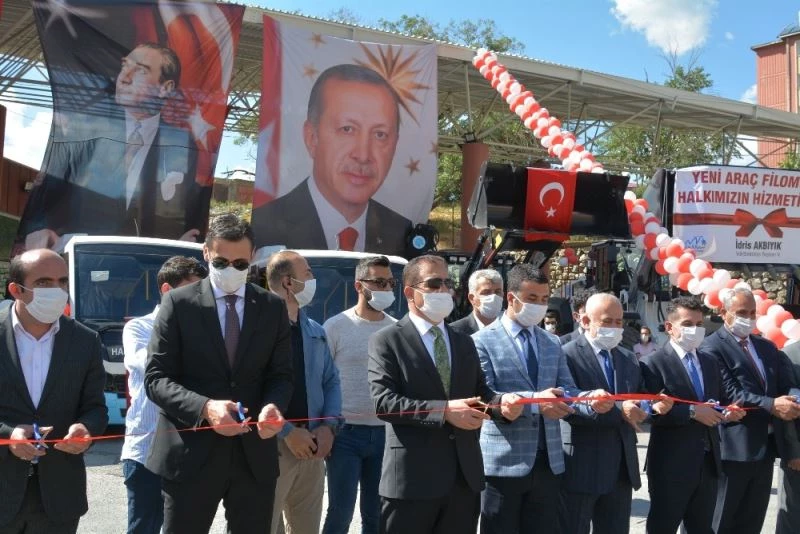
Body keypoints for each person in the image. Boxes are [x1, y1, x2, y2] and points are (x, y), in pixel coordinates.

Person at [144, 214, 294, 534]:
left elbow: (281, 375)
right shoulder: (178, 304)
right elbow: (156, 379)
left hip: (254, 457)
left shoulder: (272, 307)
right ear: (206, 253)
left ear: (253, 257)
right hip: (190, 456)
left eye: (240, 264)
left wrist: (273, 406)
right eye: (222, 262)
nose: (231, 270)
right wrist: (205, 408)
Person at [367, 254, 524, 533]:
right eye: (434, 283)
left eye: (447, 283)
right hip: (412, 481)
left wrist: (502, 405)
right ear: (410, 293)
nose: (443, 290)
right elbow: (385, 403)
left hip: (462, 481)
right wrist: (445, 411)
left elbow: (480, 394)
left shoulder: (463, 341)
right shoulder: (387, 340)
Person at [20, 42, 205, 251]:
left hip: (142, 259)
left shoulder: (181, 143)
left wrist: (179, 242)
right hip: (79, 255)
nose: (124, 78)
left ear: (165, 88)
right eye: (125, 66)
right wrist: (37, 230)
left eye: (140, 71)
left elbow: (180, 207)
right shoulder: (84, 129)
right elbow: (48, 190)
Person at [472, 265, 614, 533]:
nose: (539, 305)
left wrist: (590, 400)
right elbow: (486, 394)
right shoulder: (481, 341)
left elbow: (566, 389)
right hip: (503, 463)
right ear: (511, 298)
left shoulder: (551, 342)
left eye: (544, 299)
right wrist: (537, 402)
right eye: (532, 298)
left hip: (548, 463)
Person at [251, 63, 413, 256]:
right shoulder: (264, 227)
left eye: (380, 134)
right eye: (347, 129)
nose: (363, 156)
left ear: (395, 145)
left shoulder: (401, 233)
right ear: (312, 138)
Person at [0, 248, 108, 533]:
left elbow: (95, 408)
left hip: (59, 496)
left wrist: (86, 429)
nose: (57, 291)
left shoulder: (85, 341)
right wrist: (9, 435)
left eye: (62, 281)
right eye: (44, 283)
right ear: (16, 290)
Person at [559, 292, 673, 534]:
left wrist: (652, 408)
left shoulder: (628, 358)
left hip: (620, 467)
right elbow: (568, 404)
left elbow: (639, 397)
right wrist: (622, 409)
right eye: (607, 321)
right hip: (581, 466)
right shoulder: (566, 354)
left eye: (619, 322)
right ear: (585, 321)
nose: (614, 327)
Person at [640, 297, 745, 534]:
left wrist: (727, 412)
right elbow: (651, 411)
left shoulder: (709, 362)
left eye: (699, 324)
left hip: (708, 463)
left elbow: (718, 401)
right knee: (662, 526)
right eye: (688, 324)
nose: (695, 330)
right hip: (671, 464)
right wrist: (691, 412)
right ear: (669, 327)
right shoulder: (653, 363)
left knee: (701, 528)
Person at [701, 287, 800, 534]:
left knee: (752, 522)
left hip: (765, 450)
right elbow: (729, 393)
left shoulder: (766, 347)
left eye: (752, 313)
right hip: (732, 450)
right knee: (721, 521)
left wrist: (793, 399)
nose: (748, 318)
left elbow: (785, 383)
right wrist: (772, 405)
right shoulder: (711, 347)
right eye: (741, 312)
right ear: (723, 312)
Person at [121, 256, 207, 534]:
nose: (200, 299)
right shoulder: (139, 327)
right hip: (144, 449)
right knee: (143, 527)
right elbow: (146, 365)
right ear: (167, 290)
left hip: (185, 451)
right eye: (193, 290)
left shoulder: (204, 331)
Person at [266, 250, 341, 534]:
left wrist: (329, 427)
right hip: (271, 448)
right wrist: (287, 432)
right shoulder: (257, 329)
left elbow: (331, 381)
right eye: (308, 273)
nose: (313, 279)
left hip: (312, 447)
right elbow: (249, 390)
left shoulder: (315, 331)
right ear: (288, 282)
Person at [321, 256, 398, 534]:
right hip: (345, 434)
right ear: (358, 286)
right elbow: (322, 380)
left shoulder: (397, 329)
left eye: (389, 283)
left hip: (386, 434)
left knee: (377, 516)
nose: (385, 288)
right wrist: (325, 427)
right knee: (340, 513)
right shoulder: (335, 326)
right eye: (378, 282)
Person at [777, 340, 800, 534]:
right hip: (798, 455)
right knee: (793, 515)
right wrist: (793, 451)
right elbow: (786, 410)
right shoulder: (789, 355)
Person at [449, 269, 504, 336]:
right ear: (472, 298)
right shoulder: (454, 331)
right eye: (486, 292)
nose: (493, 297)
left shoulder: (509, 328)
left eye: (498, 292)